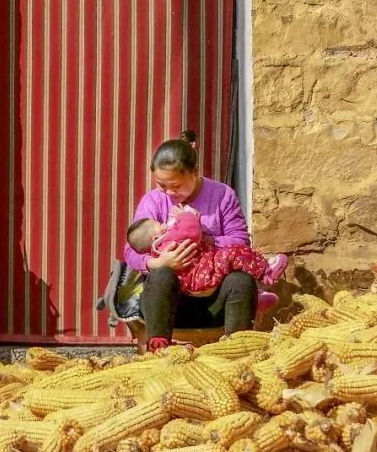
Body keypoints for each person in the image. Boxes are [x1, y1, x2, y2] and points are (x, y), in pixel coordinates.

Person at [123, 131, 282, 351]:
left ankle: (236, 349)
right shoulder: (153, 201)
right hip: (173, 301)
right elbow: (131, 252)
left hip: (216, 299)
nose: (168, 193)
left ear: (195, 172)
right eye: (161, 185)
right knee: (160, 277)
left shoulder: (223, 195)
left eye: (175, 186)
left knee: (241, 280)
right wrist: (158, 263)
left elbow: (240, 242)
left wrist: (201, 239)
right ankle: (158, 345)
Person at [125, 207, 288, 297]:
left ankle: (257, 294)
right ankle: (267, 273)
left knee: (238, 273)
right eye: (158, 224)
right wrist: (187, 215)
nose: (163, 224)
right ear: (155, 238)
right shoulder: (168, 242)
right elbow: (191, 231)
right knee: (233, 253)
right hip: (203, 273)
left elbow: (240, 236)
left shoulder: (160, 247)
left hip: (198, 277)